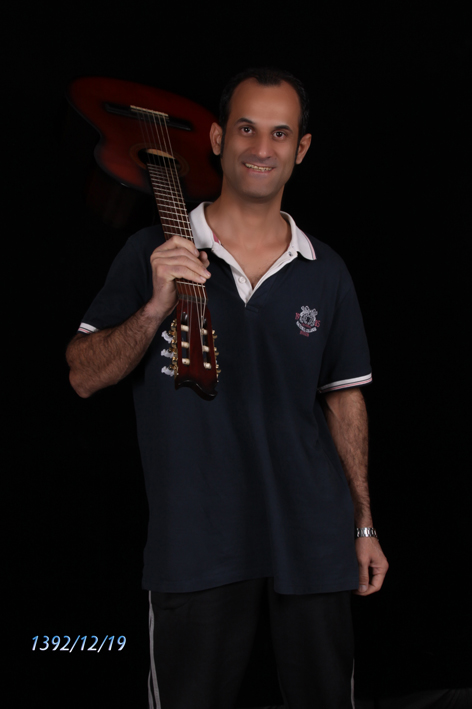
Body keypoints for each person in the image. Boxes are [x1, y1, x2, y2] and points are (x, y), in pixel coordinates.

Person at [66, 67, 388, 709]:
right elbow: (82, 375)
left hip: (313, 535)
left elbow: (344, 397)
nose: (261, 148)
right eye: (246, 129)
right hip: (195, 540)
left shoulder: (326, 270)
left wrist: (362, 525)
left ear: (301, 149)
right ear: (216, 138)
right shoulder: (153, 250)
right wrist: (155, 307)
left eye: (279, 133)